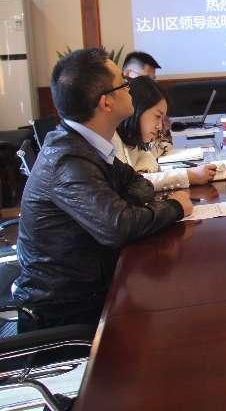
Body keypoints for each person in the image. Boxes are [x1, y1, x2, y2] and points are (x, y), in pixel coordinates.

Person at [13, 48, 191, 331]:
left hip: (97, 288)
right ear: (106, 102)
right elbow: (119, 226)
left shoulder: (87, 145)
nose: (131, 88)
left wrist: (121, 203)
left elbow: (140, 184)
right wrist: (175, 206)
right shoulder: (67, 159)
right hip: (67, 312)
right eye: (123, 83)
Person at [114, 76, 217, 191]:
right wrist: (188, 176)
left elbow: (147, 156)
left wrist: (143, 174)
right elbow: (132, 186)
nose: (160, 126)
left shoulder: (133, 138)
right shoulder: (113, 139)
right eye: (157, 116)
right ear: (138, 109)